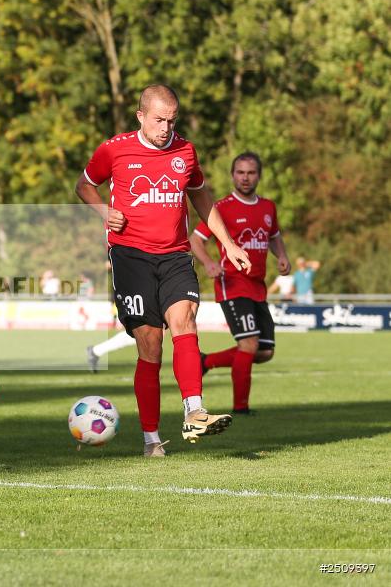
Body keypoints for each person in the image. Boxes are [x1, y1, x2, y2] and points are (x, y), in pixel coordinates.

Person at [75, 84, 250, 457]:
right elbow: (84, 185)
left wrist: (229, 243)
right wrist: (104, 211)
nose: (166, 128)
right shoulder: (114, 149)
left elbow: (201, 195)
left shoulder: (185, 151)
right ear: (141, 116)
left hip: (175, 256)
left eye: (172, 120)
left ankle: (194, 411)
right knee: (150, 344)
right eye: (158, 120)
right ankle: (151, 439)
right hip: (130, 257)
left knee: (185, 319)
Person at [191, 152, 291, 414]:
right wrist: (209, 263)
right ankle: (241, 408)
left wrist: (282, 256)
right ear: (233, 175)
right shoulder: (222, 208)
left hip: (258, 287)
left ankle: (205, 362)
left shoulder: (268, 207)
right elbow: (195, 240)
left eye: (251, 173)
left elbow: (274, 236)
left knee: (265, 351)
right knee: (249, 345)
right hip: (233, 284)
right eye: (240, 173)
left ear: (259, 176)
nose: (245, 178)